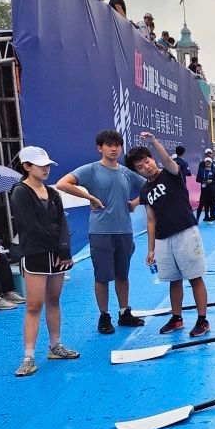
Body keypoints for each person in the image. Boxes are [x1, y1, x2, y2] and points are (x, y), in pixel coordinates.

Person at [55, 129, 147, 334]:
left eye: (117, 145)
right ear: (100, 148)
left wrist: (134, 203)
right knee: (102, 276)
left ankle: (124, 312)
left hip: (124, 230)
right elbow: (62, 184)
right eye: (109, 145)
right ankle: (104, 316)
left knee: (123, 274)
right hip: (101, 232)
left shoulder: (126, 172)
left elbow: (150, 186)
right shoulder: (91, 170)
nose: (114, 149)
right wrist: (90, 198)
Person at [129, 132, 210, 337]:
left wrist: (153, 142)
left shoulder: (171, 173)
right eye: (140, 166)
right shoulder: (145, 191)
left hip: (185, 233)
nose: (146, 167)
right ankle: (177, 318)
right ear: (137, 172)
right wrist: (151, 249)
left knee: (194, 277)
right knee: (173, 280)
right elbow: (150, 220)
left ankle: (202, 320)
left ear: (152, 158)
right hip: (163, 239)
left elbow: (167, 160)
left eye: (147, 161)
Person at [9, 147, 78, 376]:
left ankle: (55, 346)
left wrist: (65, 250)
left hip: (56, 255)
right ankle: (28, 356)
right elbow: (31, 226)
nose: (46, 169)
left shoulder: (53, 193)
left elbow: (62, 224)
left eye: (48, 165)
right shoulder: (20, 192)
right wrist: (58, 247)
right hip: (35, 254)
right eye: (41, 165)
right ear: (27, 166)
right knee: (33, 305)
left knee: (54, 300)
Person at [196, 150, 215, 222]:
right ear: (205, 163)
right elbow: (197, 179)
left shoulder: (214, 172)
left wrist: (212, 181)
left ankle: (211, 216)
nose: (208, 163)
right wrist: (204, 181)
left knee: (212, 203)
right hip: (204, 190)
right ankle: (197, 219)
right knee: (201, 204)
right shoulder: (201, 170)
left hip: (212, 190)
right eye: (207, 162)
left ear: (211, 163)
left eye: (209, 162)